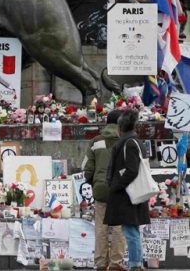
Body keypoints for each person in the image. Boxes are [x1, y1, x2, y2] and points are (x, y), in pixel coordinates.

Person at [104, 110, 149, 271]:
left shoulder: (129, 143)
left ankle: (135, 265)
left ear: (120, 128)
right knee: (132, 230)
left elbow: (131, 170)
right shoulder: (135, 141)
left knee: (130, 232)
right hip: (132, 194)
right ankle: (136, 263)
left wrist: (116, 185)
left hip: (127, 195)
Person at [84, 110, 125, 271]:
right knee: (118, 228)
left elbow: (86, 168)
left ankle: (101, 263)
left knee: (101, 227)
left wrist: (94, 183)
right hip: (120, 190)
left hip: (100, 189)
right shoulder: (125, 141)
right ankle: (116, 263)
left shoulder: (95, 141)